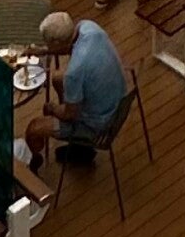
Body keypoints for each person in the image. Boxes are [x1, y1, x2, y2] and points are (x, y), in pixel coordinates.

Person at [39, 9, 126, 164]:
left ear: (57, 44)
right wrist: (39, 51)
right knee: (58, 78)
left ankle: (34, 165)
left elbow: (69, 114)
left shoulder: (74, 72)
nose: (47, 46)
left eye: (48, 44)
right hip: (119, 101)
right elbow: (68, 47)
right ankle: (75, 137)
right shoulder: (88, 27)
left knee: (35, 128)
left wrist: (52, 108)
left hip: (101, 125)